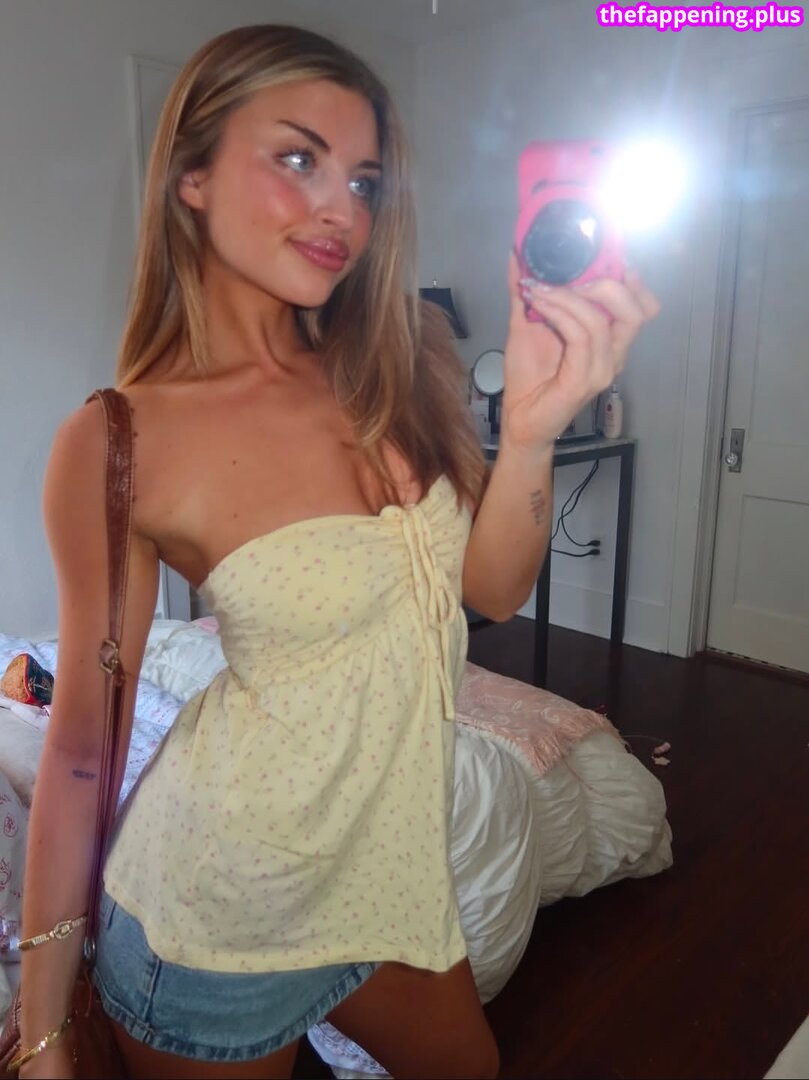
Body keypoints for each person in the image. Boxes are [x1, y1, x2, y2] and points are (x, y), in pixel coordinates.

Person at [17, 23, 660, 1080]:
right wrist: (43, 1032)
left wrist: (535, 431)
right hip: (217, 917)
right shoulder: (120, 440)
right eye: (297, 158)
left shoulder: (405, 353)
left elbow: (490, 589)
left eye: (363, 181)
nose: (341, 210)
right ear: (190, 177)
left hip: (389, 878)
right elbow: (84, 746)